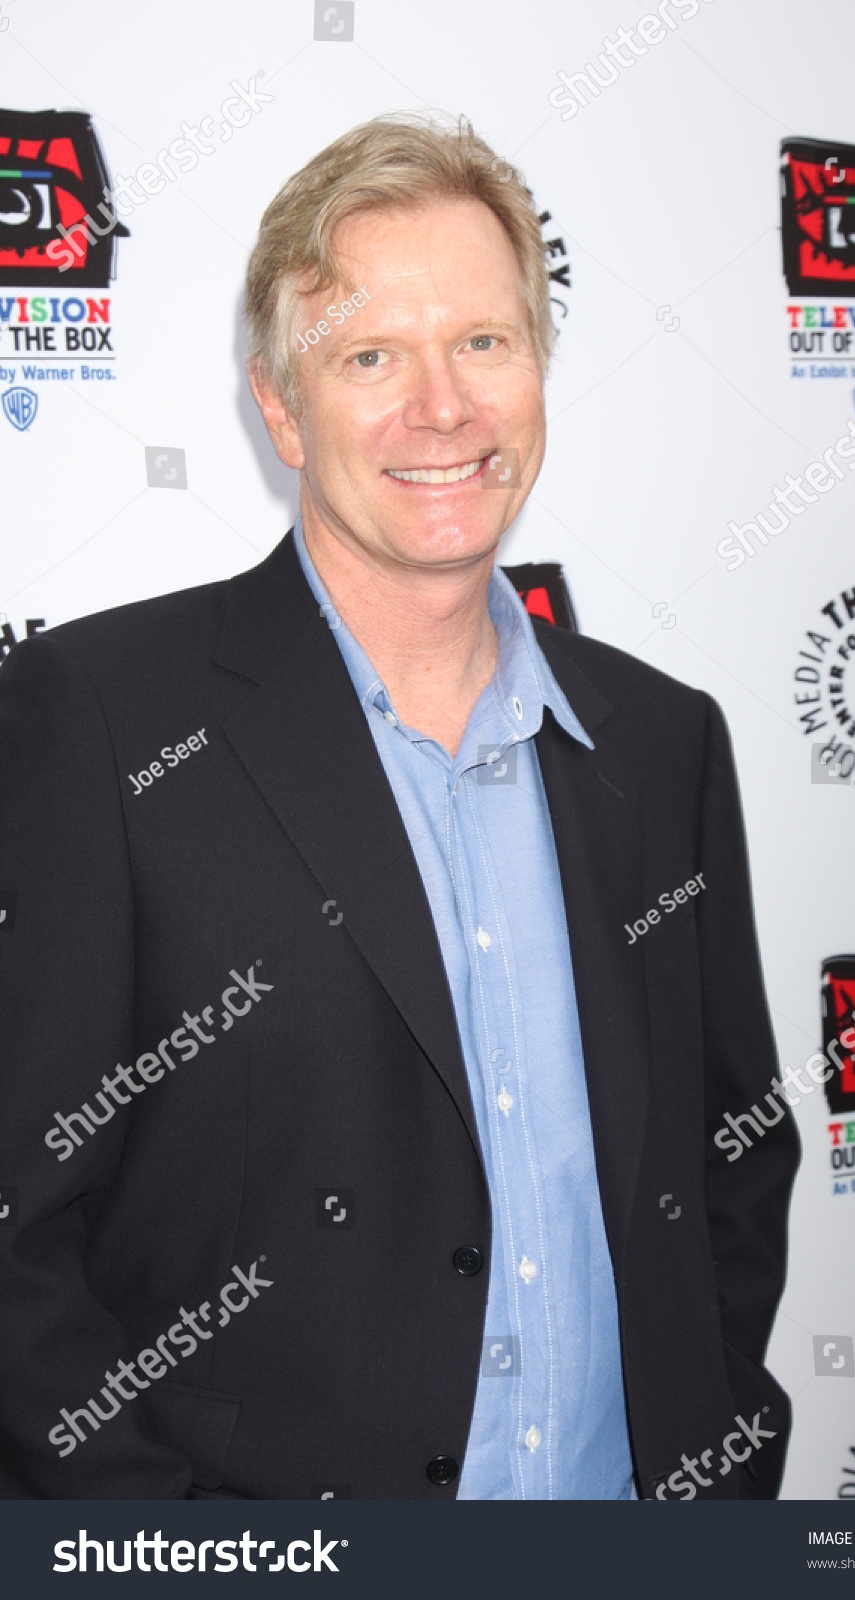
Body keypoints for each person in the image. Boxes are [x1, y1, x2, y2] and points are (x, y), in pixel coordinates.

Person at [0, 113, 798, 1500]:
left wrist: (718, 1468)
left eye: (483, 343)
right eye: (371, 356)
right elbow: (21, 1235)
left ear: (537, 368)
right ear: (279, 405)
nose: (444, 407)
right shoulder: (103, 717)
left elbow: (729, 1161)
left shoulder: (661, 739)